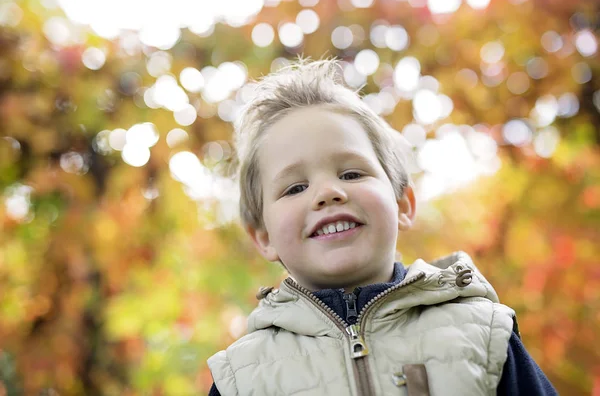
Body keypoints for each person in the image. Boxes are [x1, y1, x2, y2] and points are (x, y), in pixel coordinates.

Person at [207, 59, 556, 396]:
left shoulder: (482, 335)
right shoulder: (242, 377)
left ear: (403, 204)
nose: (328, 192)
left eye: (352, 174)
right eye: (296, 188)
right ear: (264, 237)